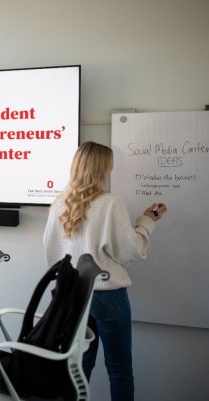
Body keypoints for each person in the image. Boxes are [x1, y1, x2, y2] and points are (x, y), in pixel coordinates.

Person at [43, 141, 168, 401]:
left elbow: (52, 253)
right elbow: (129, 250)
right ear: (103, 168)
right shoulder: (109, 203)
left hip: (73, 297)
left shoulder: (59, 204)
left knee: (79, 367)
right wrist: (147, 221)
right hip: (107, 297)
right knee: (120, 369)